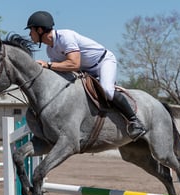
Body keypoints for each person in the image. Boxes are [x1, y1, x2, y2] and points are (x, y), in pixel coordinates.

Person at [25, 11, 147, 140]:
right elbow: (63, 70)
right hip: (86, 70)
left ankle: (135, 121)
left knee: (107, 90)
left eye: (31, 30)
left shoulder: (65, 37)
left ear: (39, 30)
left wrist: (48, 65)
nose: (29, 34)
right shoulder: (50, 49)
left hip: (103, 62)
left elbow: (74, 64)